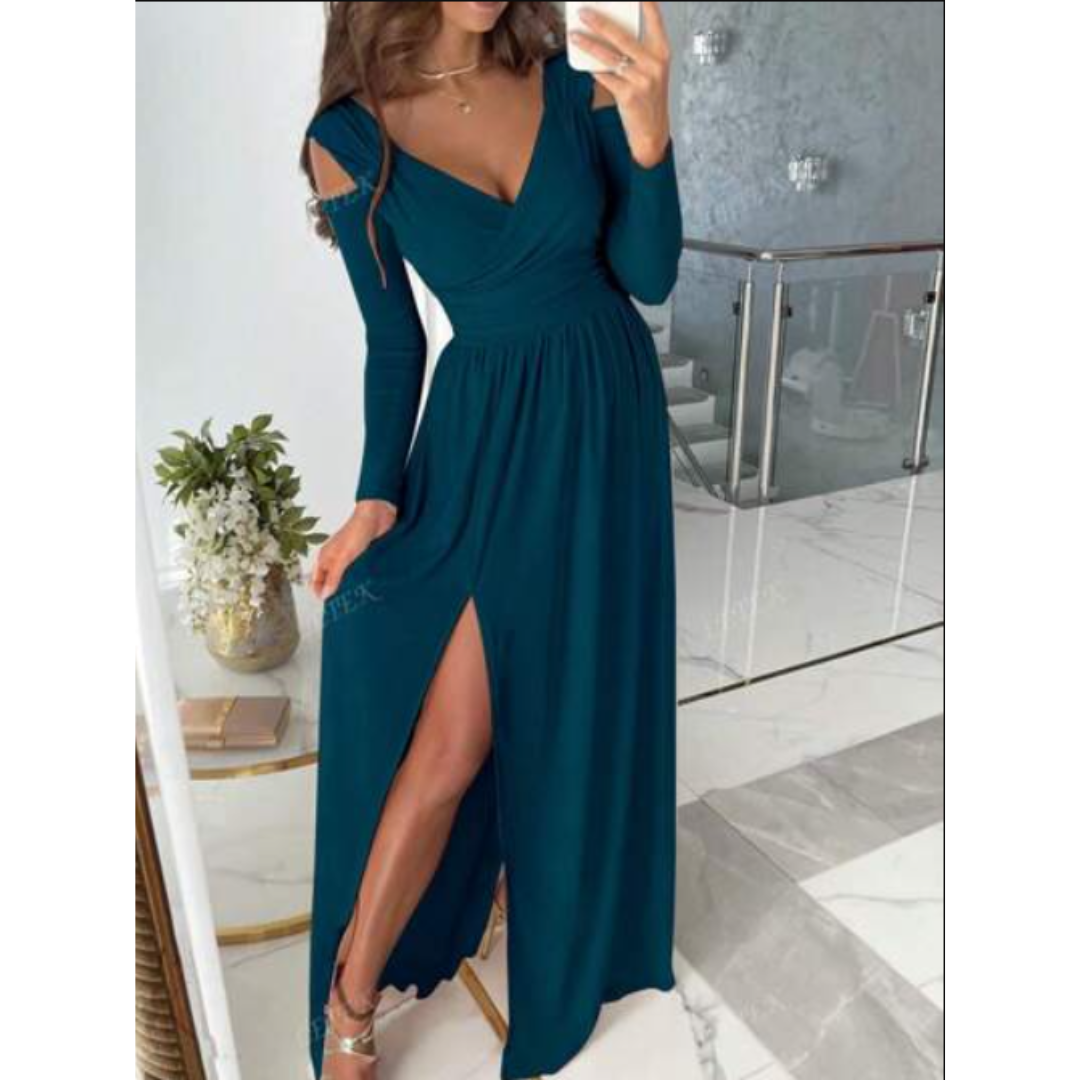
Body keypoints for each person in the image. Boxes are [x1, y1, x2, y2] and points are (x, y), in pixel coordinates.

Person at [300, 3, 682, 1077]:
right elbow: (393, 339)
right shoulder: (350, 138)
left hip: (605, 418)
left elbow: (648, 273)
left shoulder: (574, 85)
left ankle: (549, 893)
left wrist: (649, 133)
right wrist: (375, 496)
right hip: (486, 443)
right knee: (449, 743)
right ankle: (350, 996)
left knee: (580, 683)